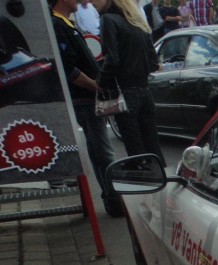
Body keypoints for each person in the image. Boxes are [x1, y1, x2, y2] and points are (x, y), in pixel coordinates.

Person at [50, 0, 120, 215]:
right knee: (103, 152)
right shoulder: (58, 25)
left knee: (99, 150)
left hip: (88, 98)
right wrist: (95, 85)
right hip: (84, 99)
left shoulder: (66, 23)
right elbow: (67, 68)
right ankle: (115, 200)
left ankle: (112, 199)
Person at [94, 0, 165, 165]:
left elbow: (112, 59)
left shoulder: (108, 19)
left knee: (135, 150)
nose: (90, 1)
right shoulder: (137, 22)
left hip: (125, 91)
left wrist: (101, 81)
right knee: (153, 146)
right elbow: (153, 62)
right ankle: (160, 176)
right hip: (145, 91)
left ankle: (144, 176)